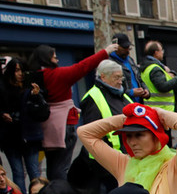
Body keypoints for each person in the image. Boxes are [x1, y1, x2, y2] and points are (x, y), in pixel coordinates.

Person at [29, 42, 116, 179]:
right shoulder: (57, 75)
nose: (57, 60)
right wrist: (105, 52)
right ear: (47, 59)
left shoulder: (34, 76)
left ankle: (51, 191)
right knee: (61, 167)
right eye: (54, 57)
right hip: (63, 125)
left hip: (45, 126)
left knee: (52, 165)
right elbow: (83, 67)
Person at [0, 58, 45, 190]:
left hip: (30, 136)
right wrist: (2, 114)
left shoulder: (32, 88)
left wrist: (36, 96)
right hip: (11, 137)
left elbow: (41, 111)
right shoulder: (1, 88)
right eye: (17, 70)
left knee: (34, 171)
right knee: (18, 172)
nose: (20, 74)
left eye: (22, 70)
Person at [80, 60, 133, 151]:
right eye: (116, 77)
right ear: (103, 77)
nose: (120, 82)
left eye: (121, 77)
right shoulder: (92, 98)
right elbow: (94, 133)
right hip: (108, 156)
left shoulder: (122, 95)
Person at [140, 41, 177, 113]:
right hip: (162, 110)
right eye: (161, 50)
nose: (163, 52)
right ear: (156, 53)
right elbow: (163, 86)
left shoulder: (146, 67)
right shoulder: (155, 68)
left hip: (152, 109)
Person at [108, 33, 147, 103]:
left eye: (128, 48)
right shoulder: (110, 63)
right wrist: (131, 93)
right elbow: (111, 88)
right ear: (115, 47)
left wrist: (145, 90)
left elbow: (138, 78)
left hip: (138, 104)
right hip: (123, 104)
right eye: (124, 48)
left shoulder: (130, 60)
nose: (127, 51)